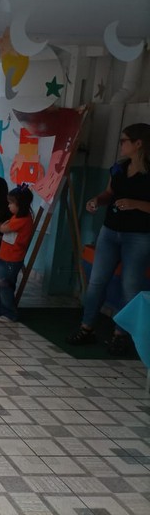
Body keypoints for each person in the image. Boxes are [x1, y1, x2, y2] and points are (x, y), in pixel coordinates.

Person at [68, 123, 150, 355]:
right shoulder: (119, 168)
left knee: (130, 287)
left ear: (138, 143)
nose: (120, 144)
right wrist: (97, 200)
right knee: (97, 281)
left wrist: (135, 204)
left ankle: (121, 334)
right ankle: (87, 327)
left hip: (139, 235)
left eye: (124, 141)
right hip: (110, 231)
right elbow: (109, 193)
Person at [0, 185, 34, 323]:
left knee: (5, 285)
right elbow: (9, 235)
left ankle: (9, 313)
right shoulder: (16, 216)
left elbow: (5, 229)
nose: (9, 205)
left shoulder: (23, 219)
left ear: (21, 204)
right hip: (3, 256)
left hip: (12, 260)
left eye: (11, 203)